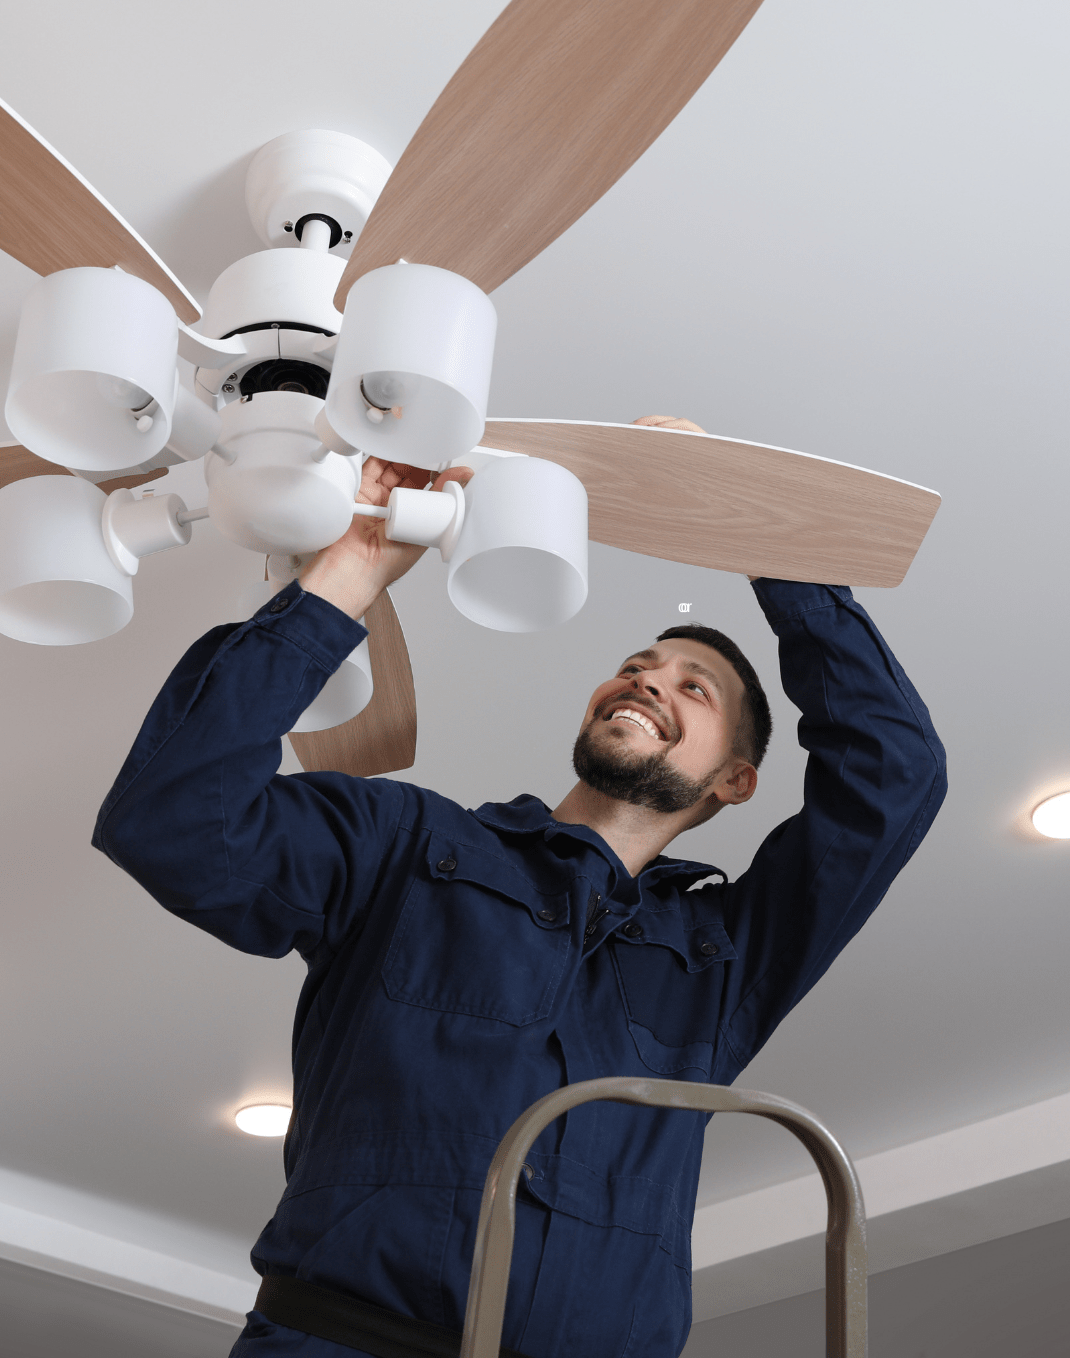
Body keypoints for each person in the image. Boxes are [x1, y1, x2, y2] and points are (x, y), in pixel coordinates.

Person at [94, 418, 947, 1358]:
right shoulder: (407, 846)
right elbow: (173, 822)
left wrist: (754, 535)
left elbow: (893, 775)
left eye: (693, 687)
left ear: (735, 780)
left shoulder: (725, 960)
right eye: (635, 668)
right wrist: (349, 572)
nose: (648, 681)